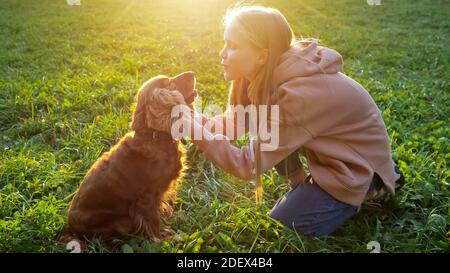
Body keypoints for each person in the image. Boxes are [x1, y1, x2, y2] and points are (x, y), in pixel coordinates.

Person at [179, 5, 404, 237]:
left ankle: (377, 183)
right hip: (328, 153)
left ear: (262, 55)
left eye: (234, 46)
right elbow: (233, 125)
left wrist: (196, 132)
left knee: (282, 229)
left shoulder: (298, 95)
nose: (222, 53)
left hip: (353, 166)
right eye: (225, 43)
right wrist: (189, 119)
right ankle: (304, 188)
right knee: (269, 131)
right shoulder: (254, 76)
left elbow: (249, 164)